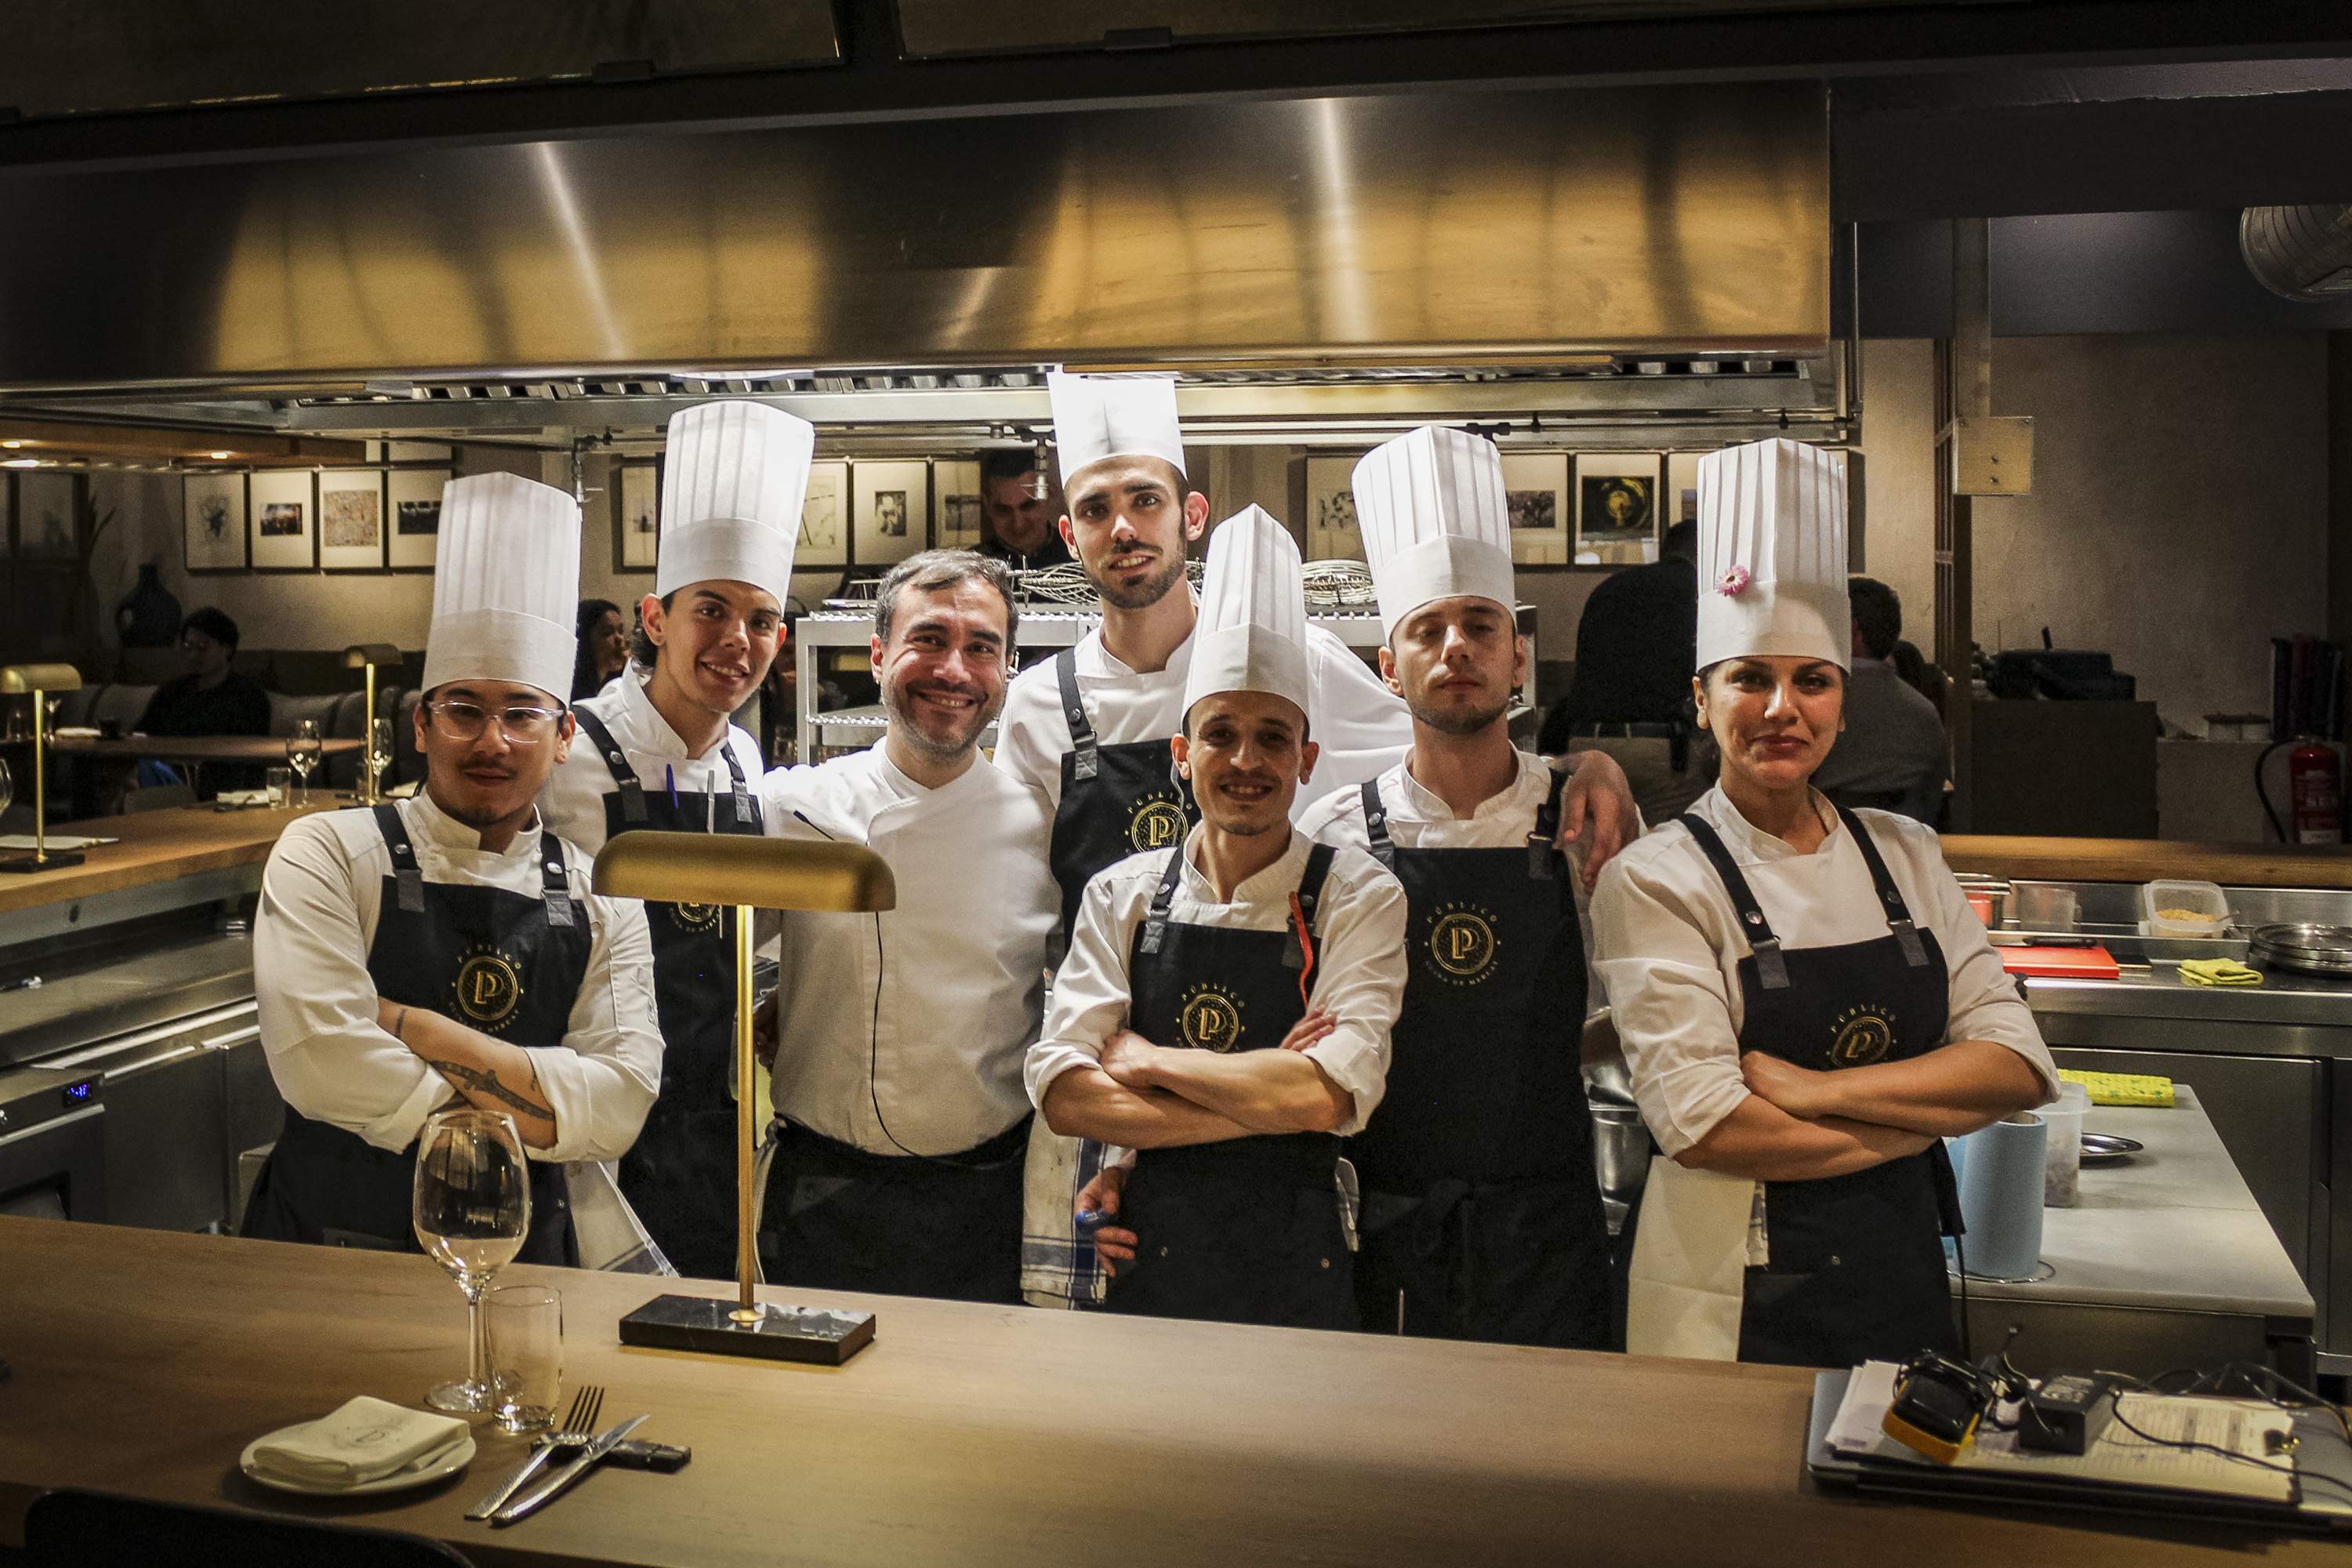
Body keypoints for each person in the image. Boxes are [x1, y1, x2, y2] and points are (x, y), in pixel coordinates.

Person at [993, 372, 1636, 1309]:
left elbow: (1448, 735)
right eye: (1097, 507)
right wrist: (1133, 1136)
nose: (1246, 759)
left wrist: (1590, 765)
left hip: (1320, 1150)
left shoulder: (1318, 695)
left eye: (1145, 500)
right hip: (1144, 1115)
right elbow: (1025, 924)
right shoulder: (1038, 709)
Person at [1592, 437, 2054, 1369]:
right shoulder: (1655, 877)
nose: (1781, 708)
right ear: (1701, 697)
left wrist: (1821, 1089)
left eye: (1812, 681)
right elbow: (1712, 1126)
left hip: (1903, 1271)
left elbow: (2016, 1065)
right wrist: (1929, 1109)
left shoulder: (1908, 854)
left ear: (1843, 701)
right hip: (1730, 1295)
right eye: (1750, 678)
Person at [241, 473, 661, 1263]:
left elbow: (621, 1102)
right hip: (334, 1255)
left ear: (564, 732)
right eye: (464, 709)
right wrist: (535, 1109)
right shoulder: (329, 851)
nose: (492, 740)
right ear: (423, 724)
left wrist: (408, 1024)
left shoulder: (603, 896)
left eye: (520, 713)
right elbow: (320, 1061)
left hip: (527, 1266)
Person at [1027, 508, 1406, 1330]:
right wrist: (1268, 1091)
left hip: (1299, 1263)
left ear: (1307, 760)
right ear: (1181, 752)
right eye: (1221, 734)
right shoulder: (1119, 895)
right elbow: (1064, 1095)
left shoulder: (1358, 894)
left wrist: (1145, 1058)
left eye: (1273, 738)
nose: (1245, 761)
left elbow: (1330, 1092)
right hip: (1152, 1258)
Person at [1296, 426, 1610, 1348]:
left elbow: (1641, 1003)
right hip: (1386, 1220)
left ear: (1520, 657)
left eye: (1481, 625)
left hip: (1550, 1219)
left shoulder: (1585, 817)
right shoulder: (1334, 833)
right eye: (1427, 631)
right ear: (1389, 667)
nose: (1456, 648)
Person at [538, 400, 810, 1279]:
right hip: (590, 1126)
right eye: (713, 610)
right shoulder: (568, 754)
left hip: (708, 1115)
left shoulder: (741, 760)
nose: (738, 640)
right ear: (655, 619)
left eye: (761, 619)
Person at [755, 550, 1057, 1304]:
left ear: (1008, 669)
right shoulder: (794, 810)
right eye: (928, 639)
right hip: (821, 1190)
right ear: (879, 653)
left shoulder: (1042, 827)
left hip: (987, 1196)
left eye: (981, 648)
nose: (954, 670)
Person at [1542, 517, 1715, 822]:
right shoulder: (1701, 595)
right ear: (1703, 554)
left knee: (1597, 852)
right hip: (1664, 751)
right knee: (1663, 855)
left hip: (1589, 742)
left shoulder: (1609, 588)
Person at [1813, 577, 1948, 823]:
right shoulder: (1924, 712)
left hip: (1816, 845)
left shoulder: (1813, 704)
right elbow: (1932, 800)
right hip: (1903, 849)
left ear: (1852, 631)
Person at [133, 606, 270, 797]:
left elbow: (250, 754)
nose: (193, 656)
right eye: (188, 648)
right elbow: (142, 734)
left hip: (221, 784)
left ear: (226, 649)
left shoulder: (248, 696)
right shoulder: (172, 692)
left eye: (202, 648)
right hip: (169, 774)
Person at [974, 448, 1073, 572]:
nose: (1018, 524)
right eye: (1003, 510)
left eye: (1028, 506)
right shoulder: (973, 568)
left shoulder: (1078, 555)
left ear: (1050, 493)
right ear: (986, 504)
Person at [571, 597, 629, 701]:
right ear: (585, 639)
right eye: (607, 633)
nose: (619, 639)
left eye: (621, 631)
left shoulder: (615, 684)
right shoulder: (573, 690)